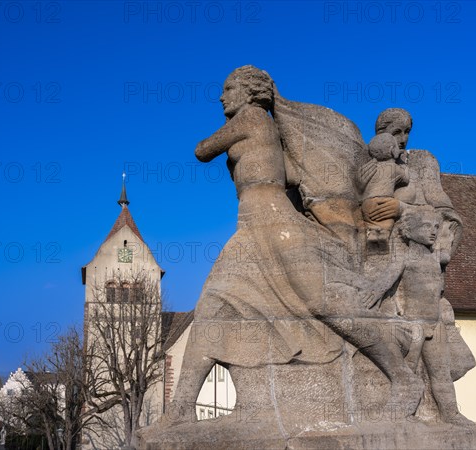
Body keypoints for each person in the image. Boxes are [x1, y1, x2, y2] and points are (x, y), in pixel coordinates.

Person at [158, 67, 424, 427]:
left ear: (251, 93)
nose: (222, 97)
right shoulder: (267, 131)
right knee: (213, 305)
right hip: (252, 226)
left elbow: (202, 150)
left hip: (274, 227)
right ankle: (181, 409)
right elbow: (290, 176)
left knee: (324, 303)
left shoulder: (251, 117)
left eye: (228, 88)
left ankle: (403, 378)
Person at [364, 206, 473, 425]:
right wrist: (370, 299)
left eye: (435, 227)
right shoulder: (403, 258)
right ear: (409, 229)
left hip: (435, 325)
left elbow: (450, 240)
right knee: (408, 373)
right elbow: (384, 282)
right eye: (426, 227)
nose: (433, 231)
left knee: (441, 374)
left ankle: (451, 414)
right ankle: (404, 415)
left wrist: (450, 222)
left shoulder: (436, 257)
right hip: (413, 326)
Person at [361, 132, 409, 244]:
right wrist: (404, 163)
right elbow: (406, 178)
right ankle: (382, 238)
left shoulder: (370, 168)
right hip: (384, 202)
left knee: (372, 224)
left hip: (367, 203)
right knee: (386, 225)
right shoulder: (394, 168)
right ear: (393, 150)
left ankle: (371, 234)